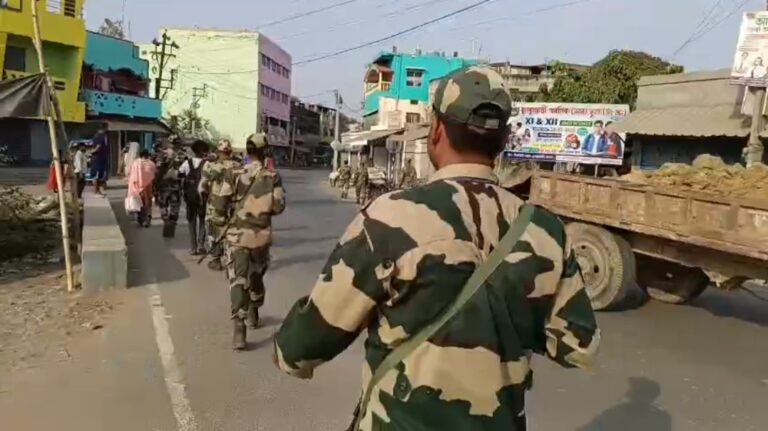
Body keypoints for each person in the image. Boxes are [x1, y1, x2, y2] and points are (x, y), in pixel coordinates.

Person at [273, 66, 599, 431]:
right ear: (504, 138)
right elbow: (578, 345)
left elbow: (302, 346)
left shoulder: (389, 219)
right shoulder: (546, 230)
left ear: (437, 129)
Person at [213, 133, 285, 350]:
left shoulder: (232, 173)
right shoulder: (272, 176)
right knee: (256, 275)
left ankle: (239, 328)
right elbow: (279, 207)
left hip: (236, 237)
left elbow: (219, 205)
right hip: (261, 238)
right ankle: (254, 307)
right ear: (265, 152)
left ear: (247, 150)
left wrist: (223, 225)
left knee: (238, 279)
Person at [199, 139, 242, 271]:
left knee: (213, 230)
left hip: (215, 202)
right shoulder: (239, 166)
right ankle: (231, 259)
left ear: (218, 151)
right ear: (230, 152)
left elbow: (203, 186)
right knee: (231, 230)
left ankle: (216, 259)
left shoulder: (213, 166)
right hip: (234, 204)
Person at [180, 140, 209, 255]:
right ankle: (201, 245)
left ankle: (193, 248)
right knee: (202, 220)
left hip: (190, 197)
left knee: (191, 221)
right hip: (203, 197)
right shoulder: (207, 164)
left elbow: (180, 173)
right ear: (203, 152)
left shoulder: (187, 163)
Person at [154, 138, 186, 238]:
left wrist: (155, 185)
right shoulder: (182, 155)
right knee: (174, 208)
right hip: (176, 186)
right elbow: (185, 171)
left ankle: (166, 222)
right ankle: (170, 228)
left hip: (163, 185)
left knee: (163, 206)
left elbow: (157, 171)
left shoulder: (162, 154)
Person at [128, 150, 156, 227]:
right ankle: (147, 218)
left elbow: (131, 174)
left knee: (139, 202)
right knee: (147, 203)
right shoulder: (151, 164)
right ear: (148, 155)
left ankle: (140, 218)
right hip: (148, 186)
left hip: (137, 186)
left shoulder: (136, 163)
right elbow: (153, 175)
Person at [90, 127, 109, 196]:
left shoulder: (101, 137)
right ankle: (96, 191)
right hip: (98, 158)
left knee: (99, 176)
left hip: (100, 158)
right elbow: (98, 147)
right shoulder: (100, 137)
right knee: (97, 176)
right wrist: (92, 152)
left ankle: (97, 190)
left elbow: (97, 147)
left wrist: (91, 152)